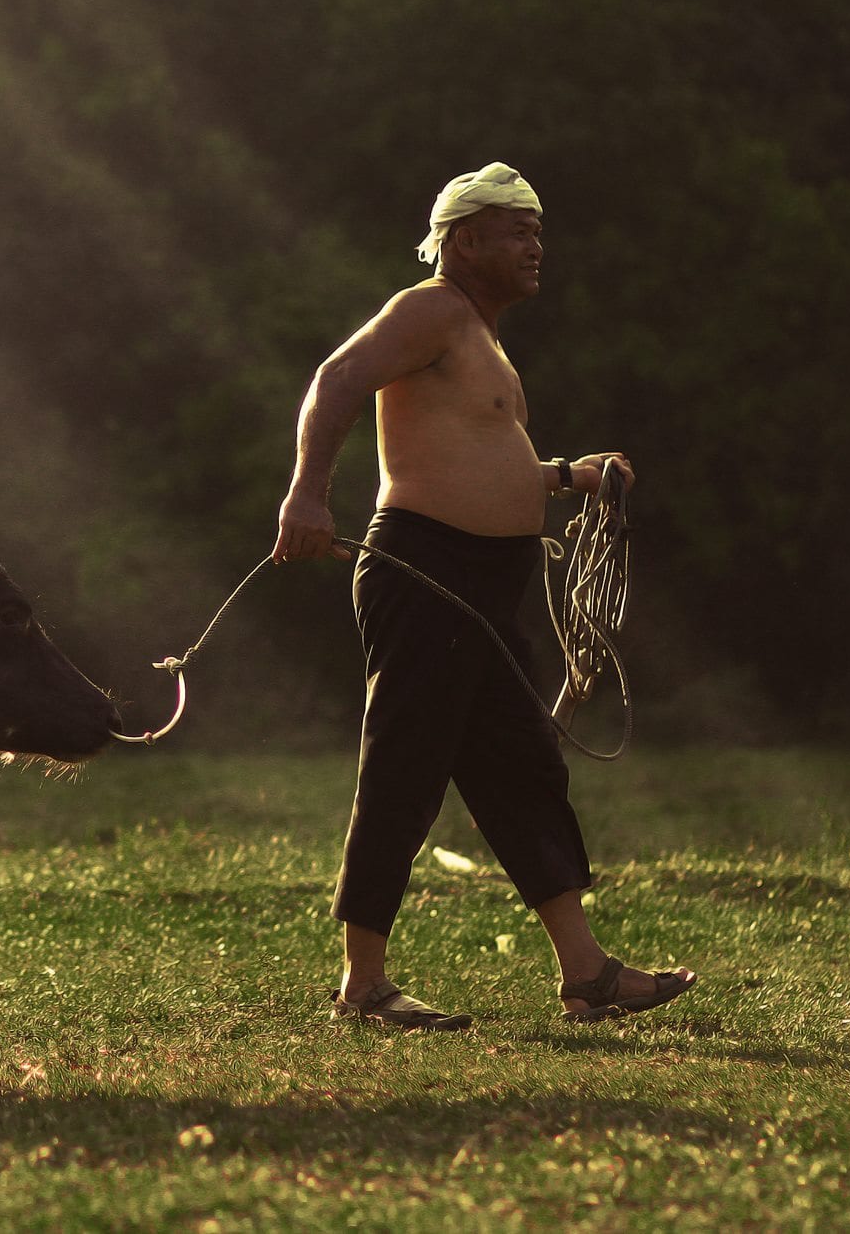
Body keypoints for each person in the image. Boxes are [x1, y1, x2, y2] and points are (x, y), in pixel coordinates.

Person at [272, 162, 694, 1029]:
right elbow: (335, 379)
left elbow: (478, 462)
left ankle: (586, 973)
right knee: (406, 765)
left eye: (538, 230)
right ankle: (362, 985)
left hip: (476, 592)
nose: (536, 246)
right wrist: (307, 494)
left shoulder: (477, 336)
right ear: (464, 241)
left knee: (523, 768)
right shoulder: (430, 309)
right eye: (516, 230)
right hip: (427, 572)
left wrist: (566, 475)